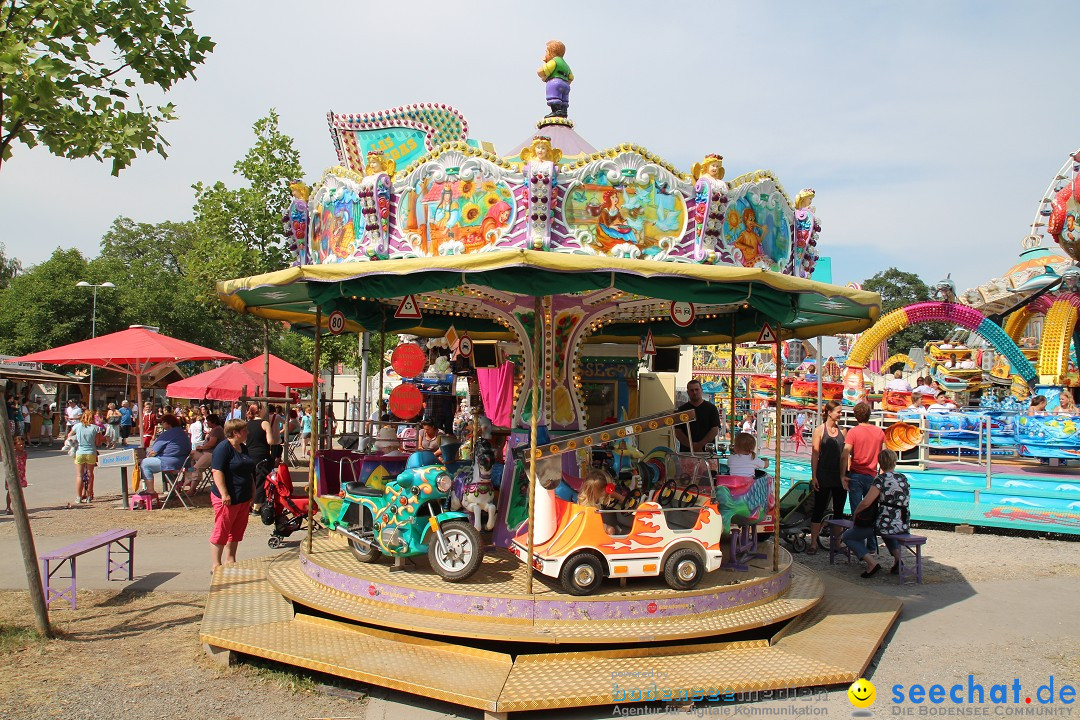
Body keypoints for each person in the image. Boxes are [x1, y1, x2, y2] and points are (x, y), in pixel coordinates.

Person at [843, 449, 910, 578]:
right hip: (902, 523)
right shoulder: (903, 478)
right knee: (888, 533)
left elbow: (866, 502)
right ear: (894, 462)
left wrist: (855, 513)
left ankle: (872, 563)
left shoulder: (881, 479)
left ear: (880, 463)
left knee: (848, 536)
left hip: (886, 523)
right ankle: (897, 560)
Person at [210, 418, 256, 570]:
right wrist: (224, 493)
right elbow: (217, 471)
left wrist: (253, 489)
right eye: (244, 431)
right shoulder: (223, 448)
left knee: (236, 529)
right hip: (228, 497)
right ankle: (216, 564)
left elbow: (248, 470)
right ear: (235, 433)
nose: (247, 433)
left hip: (243, 496)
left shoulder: (243, 447)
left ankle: (231, 559)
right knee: (222, 528)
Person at [840, 402, 885, 556]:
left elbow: (845, 453)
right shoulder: (879, 432)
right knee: (871, 510)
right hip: (872, 475)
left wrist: (842, 474)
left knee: (856, 510)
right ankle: (872, 544)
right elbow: (883, 455)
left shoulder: (853, 432)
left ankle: (858, 544)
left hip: (856, 474)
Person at [808, 401, 846, 554]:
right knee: (819, 508)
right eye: (838, 411)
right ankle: (813, 543)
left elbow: (845, 456)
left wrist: (844, 475)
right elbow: (815, 454)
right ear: (829, 412)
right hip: (824, 474)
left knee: (839, 510)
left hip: (838, 476)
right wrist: (814, 476)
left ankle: (837, 542)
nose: (840, 414)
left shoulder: (843, 431)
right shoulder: (819, 430)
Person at [138, 414, 191, 495]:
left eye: (162, 423)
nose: (161, 425)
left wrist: (148, 456)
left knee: (145, 464)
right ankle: (174, 488)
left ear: (167, 423)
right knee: (167, 469)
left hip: (170, 462)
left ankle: (150, 490)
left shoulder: (167, 434)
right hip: (184, 461)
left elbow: (154, 451)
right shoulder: (182, 432)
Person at [674, 379, 721, 453]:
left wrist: (699, 445)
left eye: (696, 389)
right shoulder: (681, 410)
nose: (694, 392)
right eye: (692, 390)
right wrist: (691, 446)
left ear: (701, 390)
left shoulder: (711, 408)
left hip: (707, 452)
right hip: (687, 453)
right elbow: (678, 431)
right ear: (688, 392)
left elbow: (714, 429)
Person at [66, 410, 100, 504]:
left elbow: (69, 436)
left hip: (80, 452)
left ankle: (78, 497)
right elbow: (97, 443)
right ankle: (89, 496)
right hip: (91, 452)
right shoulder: (96, 428)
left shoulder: (77, 426)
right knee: (90, 475)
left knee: (79, 475)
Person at [187, 413, 225, 492]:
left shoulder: (217, 430)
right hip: (206, 452)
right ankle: (189, 474)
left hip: (211, 454)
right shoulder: (214, 429)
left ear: (213, 422)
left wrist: (201, 447)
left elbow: (211, 444)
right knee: (190, 454)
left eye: (208, 421)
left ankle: (192, 489)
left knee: (196, 468)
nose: (207, 423)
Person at [245, 404, 271, 514]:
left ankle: (249, 504)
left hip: (249, 454)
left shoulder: (246, 424)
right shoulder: (264, 423)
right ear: (260, 411)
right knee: (261, 480)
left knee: (251, 480)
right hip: (262, 454)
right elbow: (270, 441)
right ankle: (257, 506)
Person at [578, 469, 619, 535]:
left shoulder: (595, 495)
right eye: (607, 490)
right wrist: (606, 527)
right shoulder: (588, 506)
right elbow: (591, 522)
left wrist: (622, 498)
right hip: (590, 528)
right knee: (611, 530)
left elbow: (612, 493)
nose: (609, 492)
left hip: (596, 521)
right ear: (600, 492)